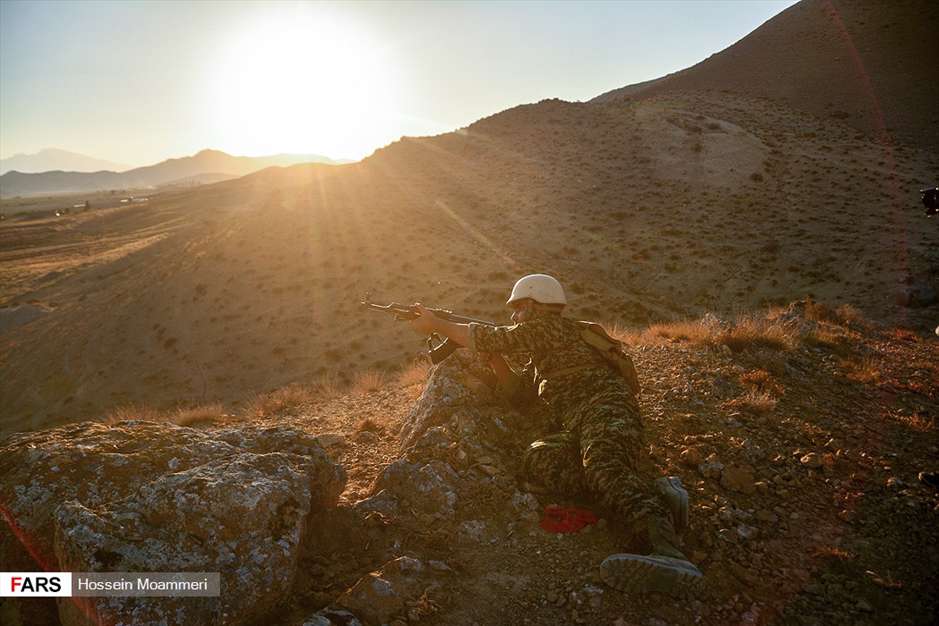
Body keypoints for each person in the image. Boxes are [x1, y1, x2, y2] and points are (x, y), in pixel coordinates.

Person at [409, 273, 703, 594]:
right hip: (577, 423)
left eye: (519, 308)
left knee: (603, 466)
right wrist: (495, 361)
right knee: (539, 458)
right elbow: (520, 396)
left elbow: (495, 336)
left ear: (537, 305)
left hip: (604, 407)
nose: (514, 316)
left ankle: (668, 550)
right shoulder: (543, 353)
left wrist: (436, 324)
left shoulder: (553, 326)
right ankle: (655, 497)